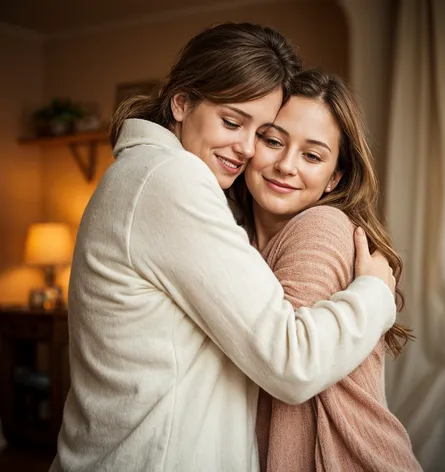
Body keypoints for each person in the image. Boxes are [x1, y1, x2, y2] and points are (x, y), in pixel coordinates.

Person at [51, 24, 397, 472]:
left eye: (260, 132)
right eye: (233, 122)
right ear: (182, 102)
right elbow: (292, 363)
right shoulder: (171, 180)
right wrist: (374, 294)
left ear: (335, 175)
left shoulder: (149, 176)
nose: (246, 149)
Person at [229, 68, 421, 471]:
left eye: (312, 155)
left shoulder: (321, 228)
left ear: (335, 177)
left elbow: (288, 371)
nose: (286, 165)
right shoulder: (240, 239)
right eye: (273, 141)